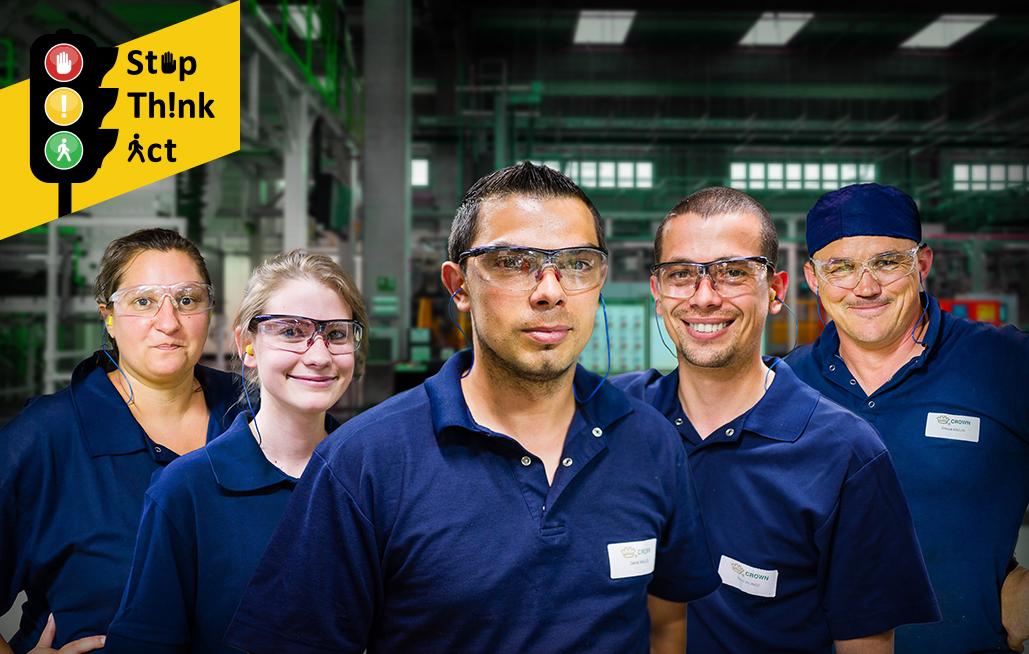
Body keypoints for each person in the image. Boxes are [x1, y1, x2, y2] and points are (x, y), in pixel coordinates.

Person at [224, 162, 720, 654]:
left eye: (576, 263)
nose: (550, 290)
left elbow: (665, 624)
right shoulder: (365, 463)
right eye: (513, 262)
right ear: (459, 285)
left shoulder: (650, 442)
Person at [613, 187, 940, 653]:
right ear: (658, 292)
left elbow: (865, 644)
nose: (705, 298)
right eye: (682, 274)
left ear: (775, 291)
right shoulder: (613, 417)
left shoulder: (844, 453)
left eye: (733, 273)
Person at [786, 183, 1029, 653]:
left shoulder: (1003, 363)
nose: (865, 286)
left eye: (886, 262)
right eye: (840, 267)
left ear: (921, 265)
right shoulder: (786, 384)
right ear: (814, 279)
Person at [103, 251, 367, 654]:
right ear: (247, 346)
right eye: (291, 332)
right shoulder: (187, 491)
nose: (318, 356)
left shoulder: (374, 482)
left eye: (336, 334)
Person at [0, 228, 241, 654]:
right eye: (143, 301)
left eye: (187, 300)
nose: (168, 322)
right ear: (107, 315)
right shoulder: (47, 437)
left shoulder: (252, 414)